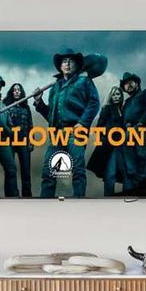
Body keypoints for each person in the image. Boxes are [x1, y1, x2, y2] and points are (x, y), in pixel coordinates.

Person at [33, 49, 100, 198]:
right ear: (60, 66)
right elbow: (51, 115)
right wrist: (39, 101)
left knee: (77, 170)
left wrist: (83, 123)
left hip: (75, 132)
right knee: (48, 172)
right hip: (56, 134)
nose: (67, 64)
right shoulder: (55, 88)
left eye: (71, 61)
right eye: (64, 61)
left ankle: (79, 203)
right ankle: (45, 205)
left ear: (77, 65)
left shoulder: (84, 82)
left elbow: (94, 103)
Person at [120, 71, 146, 190]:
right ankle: (133, 190)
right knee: (130, 164)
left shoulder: (145, 93)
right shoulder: (126, 102)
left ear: (137, 83)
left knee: (143, 157)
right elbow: (124, 117)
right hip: (129, 134)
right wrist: (126, 125)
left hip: (143, 131)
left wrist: (140, 123)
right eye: (126, 84)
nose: (129, 85)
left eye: (131, 82)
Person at [86, 84, 126, 195]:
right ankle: (108, 200)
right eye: (114, 95)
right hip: (109, 145)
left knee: (125, 172)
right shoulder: (107, 109)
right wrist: (104, 141)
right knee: (110, 173)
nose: (116, 97)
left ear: (121, 96)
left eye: (118, 94)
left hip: (123, 146)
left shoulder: (124, 109)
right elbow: (99, 127)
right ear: (111, 97)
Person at [3, 82, 34, 197]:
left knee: (26, 172)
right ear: (11, 92)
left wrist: (32, 141)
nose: (16, 91)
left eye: (19, 90)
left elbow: (30, 125)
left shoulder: (26, 107)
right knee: (10, 171)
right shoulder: (6, 105)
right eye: (14, 90)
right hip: (10, 141)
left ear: (21, 93)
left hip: (24, 141)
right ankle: (11, 196)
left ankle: (27, 197)